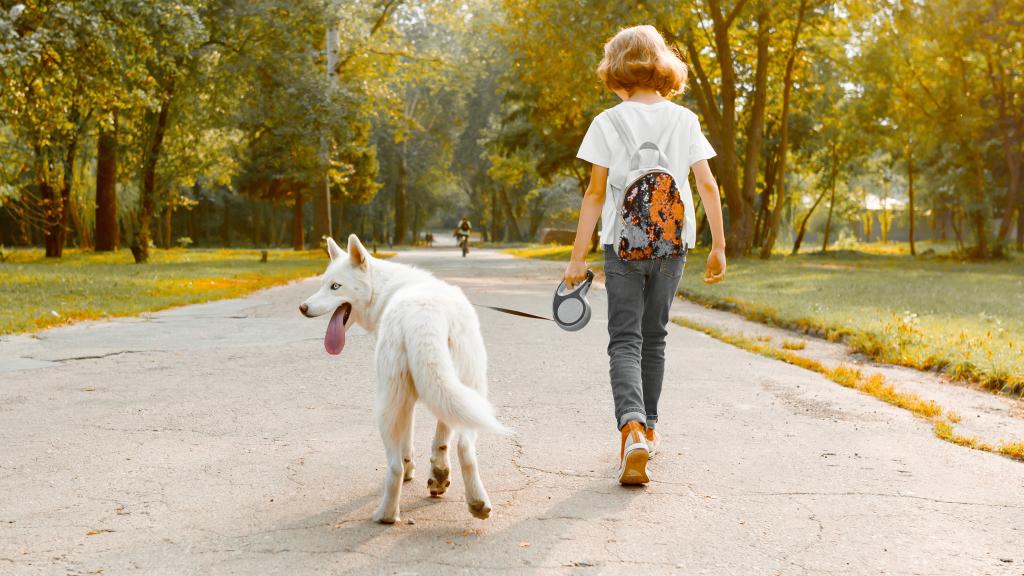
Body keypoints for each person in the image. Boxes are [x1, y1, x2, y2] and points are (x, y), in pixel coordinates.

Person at [563, 25, 727, 485]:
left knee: (625, 340)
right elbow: (707, 184)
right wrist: (718, 245)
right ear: (663, 65)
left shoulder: (607, 122)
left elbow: (596, 194)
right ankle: (650, 430)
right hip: (674, 247)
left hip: (623, 248)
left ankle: (631, 427)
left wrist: (578, 259)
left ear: (616, 68)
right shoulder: (684, 119)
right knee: (655, 338)